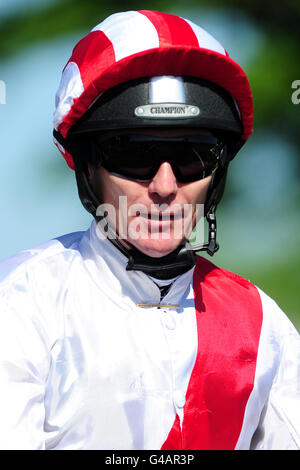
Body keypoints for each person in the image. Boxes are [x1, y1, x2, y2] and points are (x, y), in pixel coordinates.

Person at [0, 10, 299, 451]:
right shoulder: (21, 305)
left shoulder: (261, 323)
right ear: (86, 166)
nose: (164, 186)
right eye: (134, 154)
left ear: (217, 175)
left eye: (193, 157)